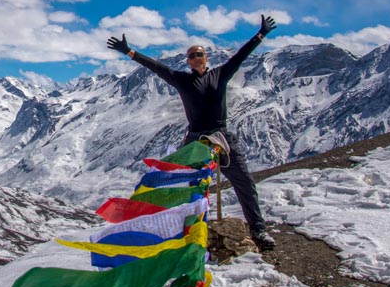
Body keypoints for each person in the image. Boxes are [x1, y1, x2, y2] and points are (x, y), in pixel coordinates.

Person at [106, 15, 278, 250]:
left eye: (199, 54)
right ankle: (195, 234)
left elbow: (240, 56)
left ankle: (259, 231)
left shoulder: (221, 73)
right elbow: (156, 67)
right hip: (196, 140)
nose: (195, 58)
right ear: (187, 61)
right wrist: (129, 52)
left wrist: (261, 34)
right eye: (191, 55)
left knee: (244, 183)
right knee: (196, 190)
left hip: (221, 136)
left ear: (206, 58)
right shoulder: (182, 80)